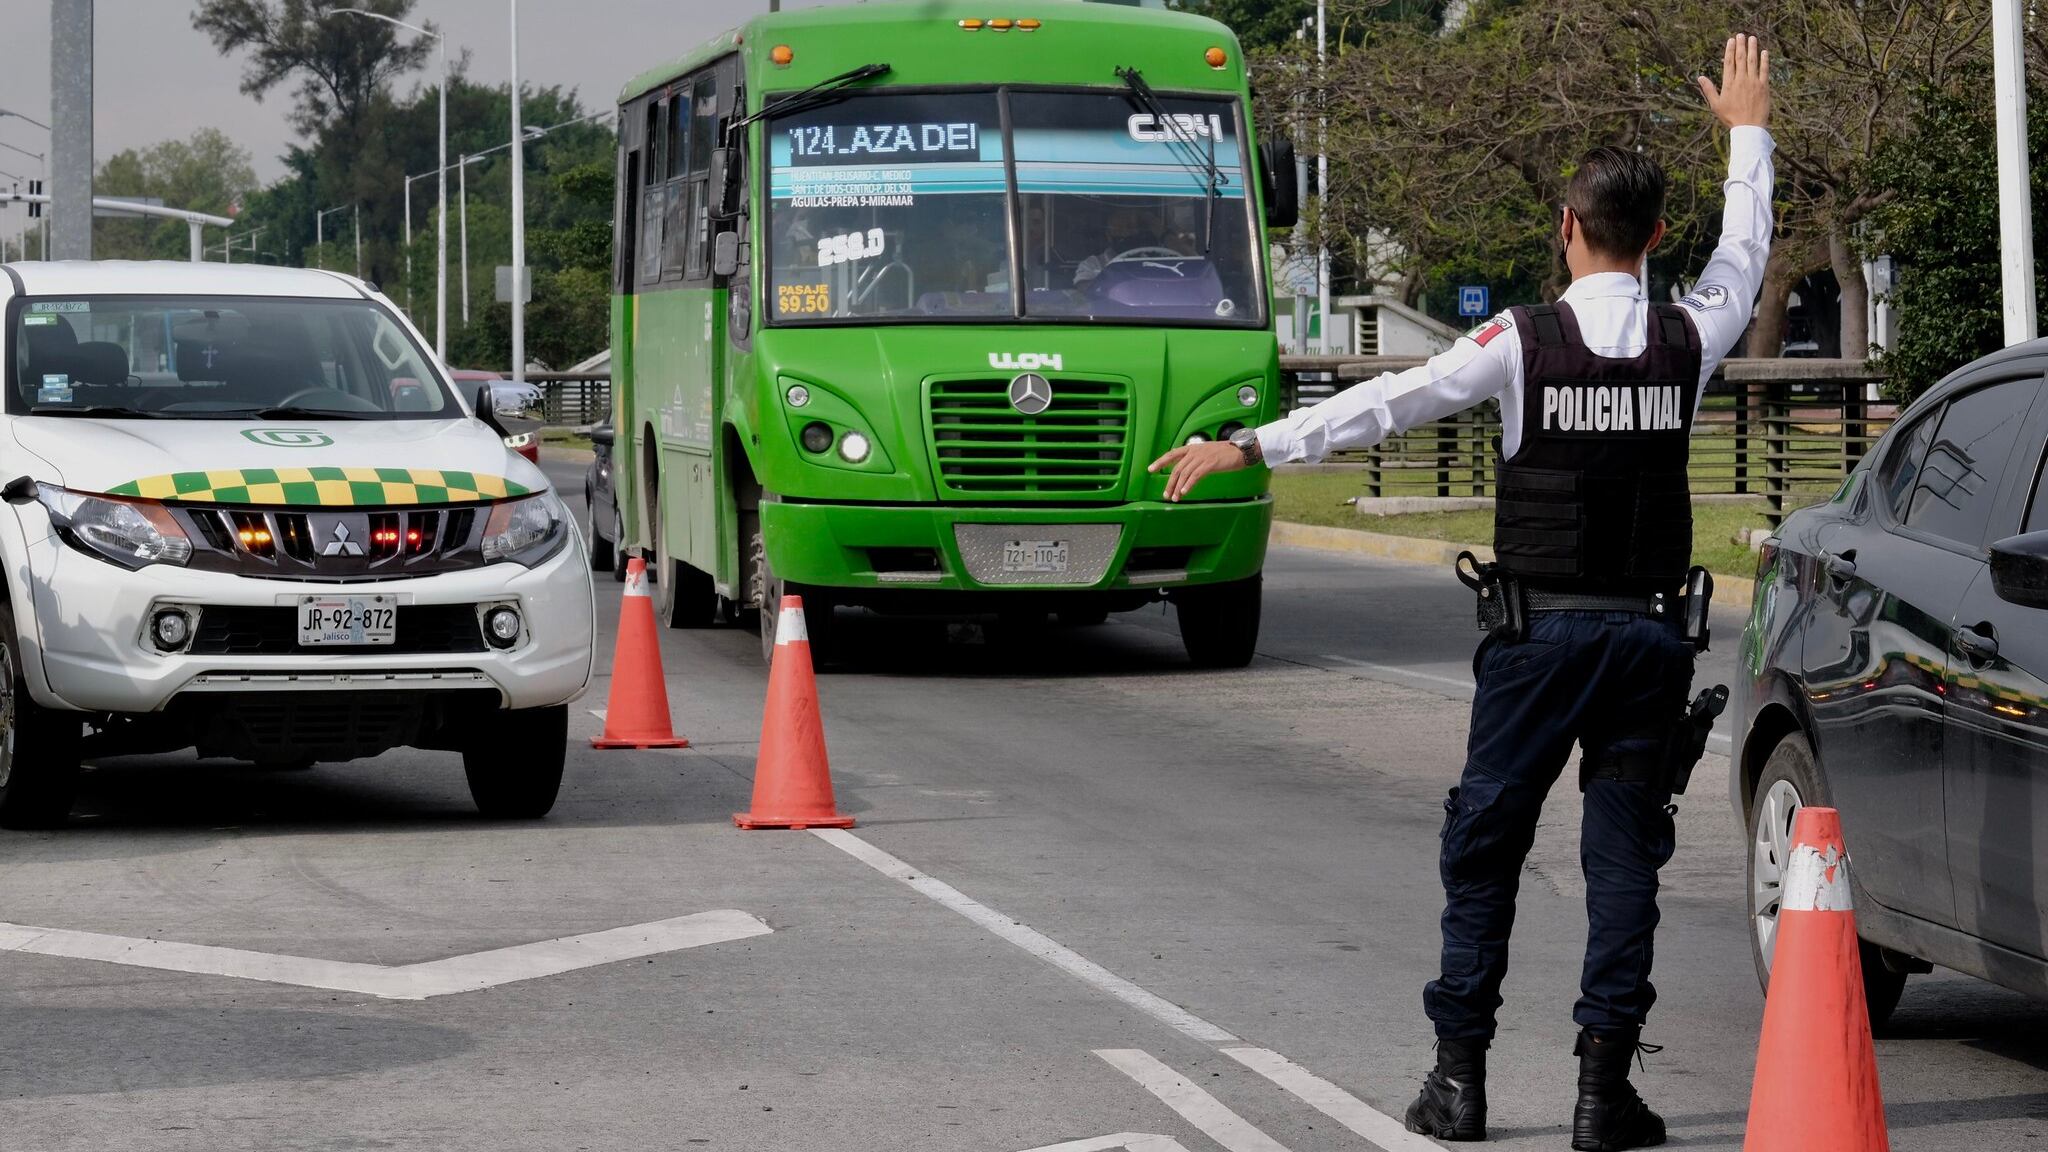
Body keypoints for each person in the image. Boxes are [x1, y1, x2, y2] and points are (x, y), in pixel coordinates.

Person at [1148, 34, 1774, 1151]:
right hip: (1645, 642)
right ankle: (1601, 1095)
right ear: (1656, 241)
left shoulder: (1517, 342)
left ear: (1566, 230)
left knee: (1484, 851)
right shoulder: (1693, 333)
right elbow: (1748, 249)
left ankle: (1457, 1084)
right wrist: (1744, 135)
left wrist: (1250, 444)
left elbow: (1388, 402)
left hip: (1535, 641)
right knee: (1624, 859)